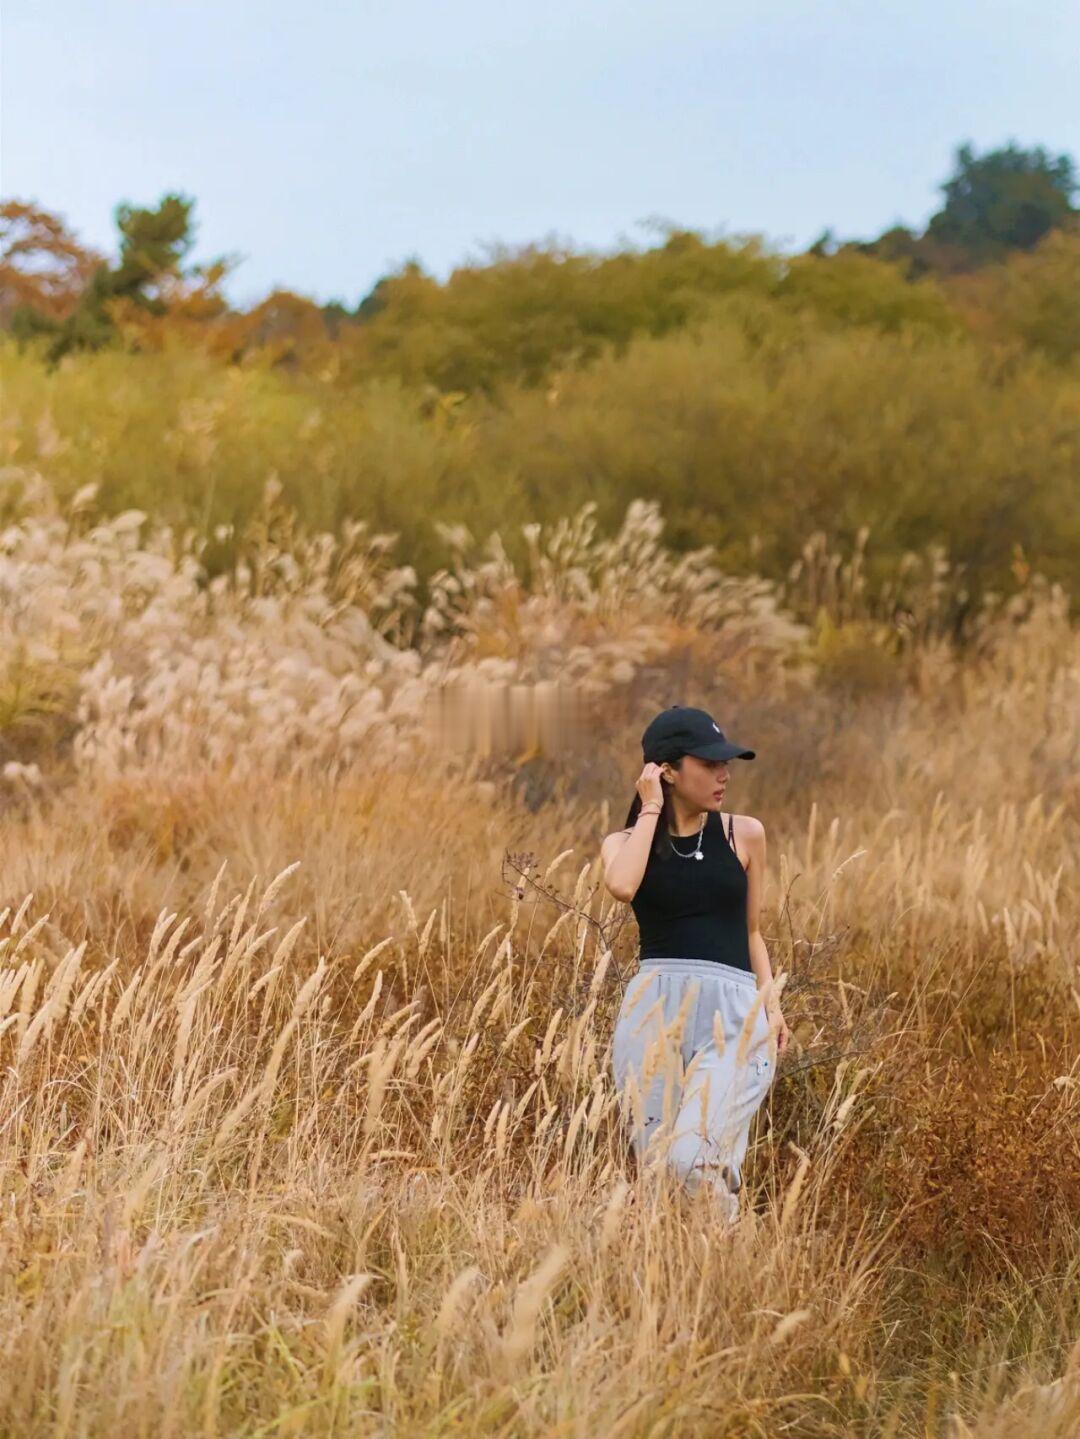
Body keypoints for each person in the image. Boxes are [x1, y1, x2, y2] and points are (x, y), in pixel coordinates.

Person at [600, 704, 791, 1220]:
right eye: (708, 763)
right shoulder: (625, 843)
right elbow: (621, 886)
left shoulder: (744, 834)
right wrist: (649, 809)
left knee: (694, 1158)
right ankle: (715, 1279)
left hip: (733, 1012)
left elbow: (753, 932)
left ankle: (730, 1260)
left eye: (726, 762)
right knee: (661, 1168)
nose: (723, 773)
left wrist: (770, 1004)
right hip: (653, 1012)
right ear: (665, 771)